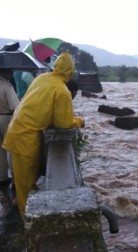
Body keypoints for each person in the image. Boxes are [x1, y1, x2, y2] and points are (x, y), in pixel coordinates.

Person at [2, 52, 85, 216]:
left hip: (16, 130)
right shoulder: (62, 91)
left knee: (23, 180)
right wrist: (79, 121)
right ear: (70, 71)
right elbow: (63, 122)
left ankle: (23, 210)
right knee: (26, 186)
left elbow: (37, 105)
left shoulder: (42, 78)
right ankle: (28, 223)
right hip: (25, 139)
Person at [0, 68, 20, 194]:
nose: (12, 73)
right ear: (5, 72)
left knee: (0, 150)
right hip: (7, 118)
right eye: (10, 71)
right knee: (11, 149)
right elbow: (15, 107)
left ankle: (2, 177)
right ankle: (15, 180)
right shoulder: (7, 86)